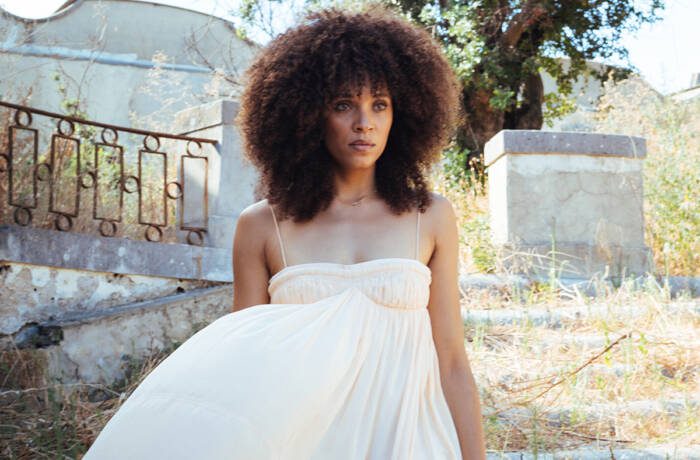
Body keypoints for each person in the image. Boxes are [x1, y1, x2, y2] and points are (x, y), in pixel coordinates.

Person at [84, 6, 486, 460]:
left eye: (380, 104)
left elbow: (452, 361)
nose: (364, 122)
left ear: (404, 114)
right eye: (342, 104)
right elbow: (244, 370)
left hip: (411, 439)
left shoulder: (429, 215)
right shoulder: (261, 225)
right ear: (307, 115)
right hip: (304, 444)